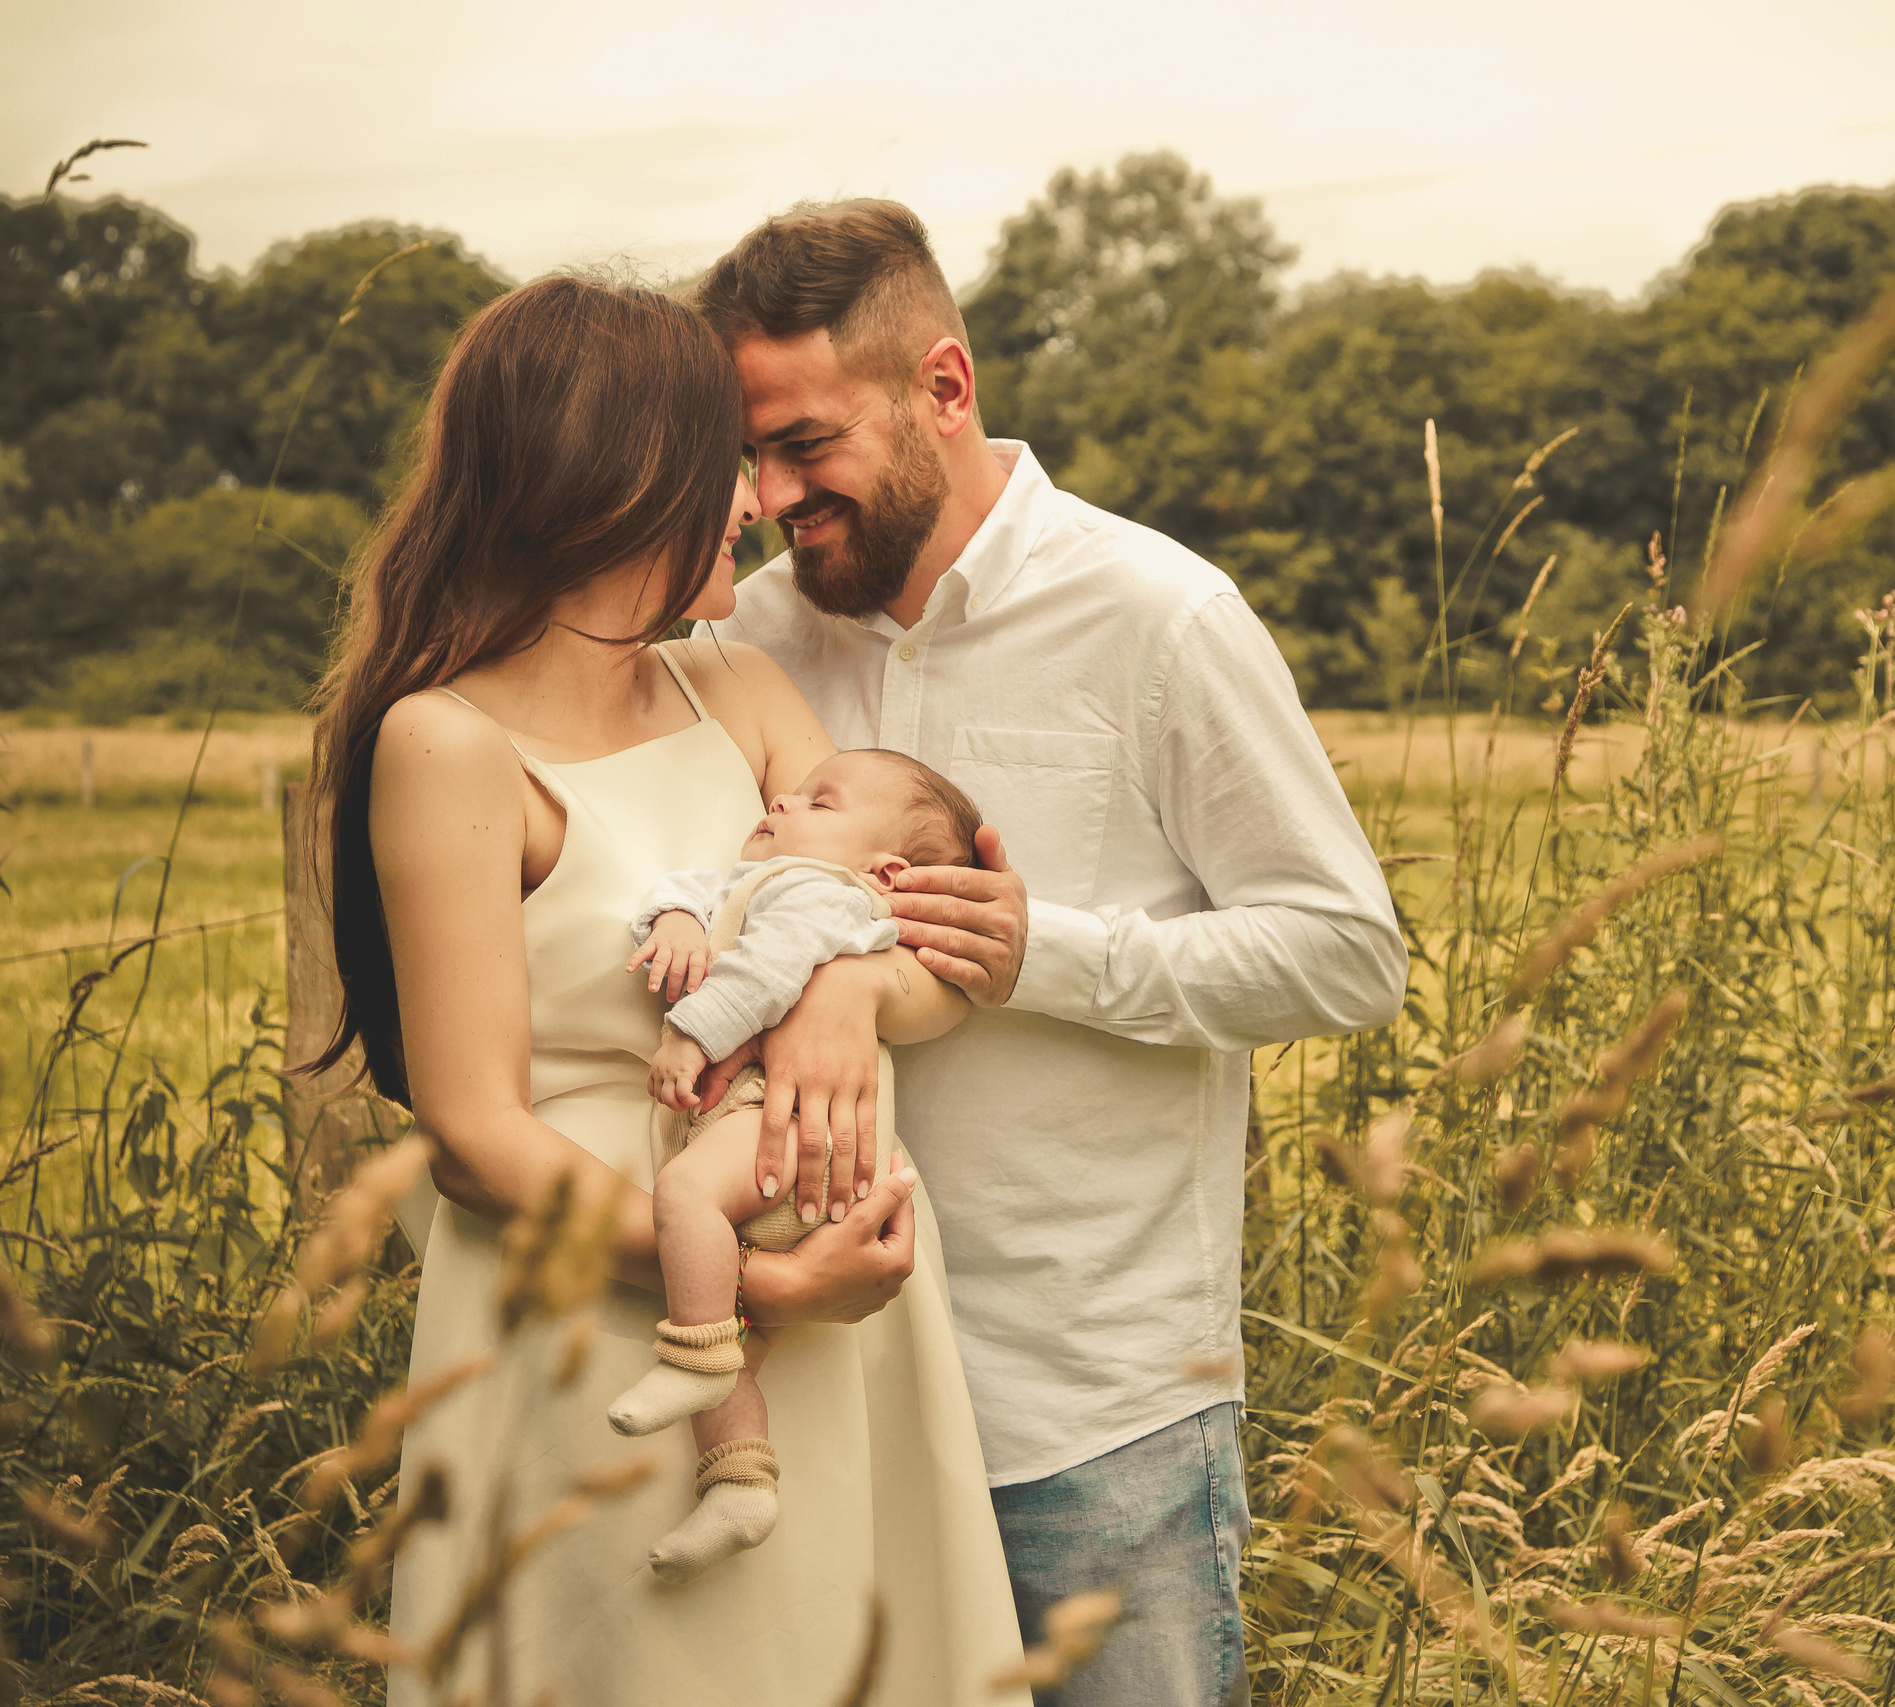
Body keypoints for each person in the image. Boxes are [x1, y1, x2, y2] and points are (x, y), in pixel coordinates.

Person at [693, 201, 1409, 1705]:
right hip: (822, 1388)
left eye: (805, 445)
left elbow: (1348, 952)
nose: (768, 496)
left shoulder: (1158, 616)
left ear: (944, 388)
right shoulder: (748, 638)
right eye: (748, 457)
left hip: (1086, 1411)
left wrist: (1050, 954)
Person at [306, 274, 1028, 1706]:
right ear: (621, 481)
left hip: (846, 1312)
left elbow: (923, 955)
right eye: (727, 465)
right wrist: (758, 1285)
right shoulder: (446, 745)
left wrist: (853, 997)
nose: (757, 501)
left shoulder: (736, 689)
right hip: (610, 1311)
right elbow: (473, 1130)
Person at [608, 748, 985, 1588]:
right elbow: (697, 892)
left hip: (769, 1124)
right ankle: (739, 1482)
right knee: (747, 1344)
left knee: (685, 1194)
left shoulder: (825, 896)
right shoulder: (772, 880)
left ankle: (694, 1351)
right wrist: (674, 916)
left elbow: (767, 971)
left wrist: (691, 1033)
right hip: (792, 1153)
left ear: (882, 869)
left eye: (820, 799)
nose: (784, 796)